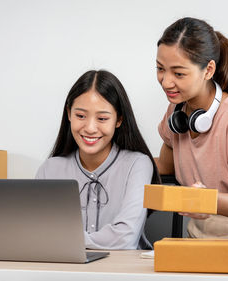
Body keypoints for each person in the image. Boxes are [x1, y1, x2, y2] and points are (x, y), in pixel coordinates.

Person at [155, 17, 228, 239]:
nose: (166, 82)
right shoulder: (176, 112)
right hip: (197, 240)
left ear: (208, 70)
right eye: (160, 69)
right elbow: (165, 167)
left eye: (178, 73)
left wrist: (208, 201)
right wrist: (112, 160)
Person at [36, 70, 160, 249]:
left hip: (124, 272)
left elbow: (125, 238)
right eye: (80, 116)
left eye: (102, 118)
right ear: (69, 114)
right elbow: (37, 235)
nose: (90, 128)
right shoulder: (50, 169)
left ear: (119, 120)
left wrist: (63, 239)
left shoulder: (137, 165)